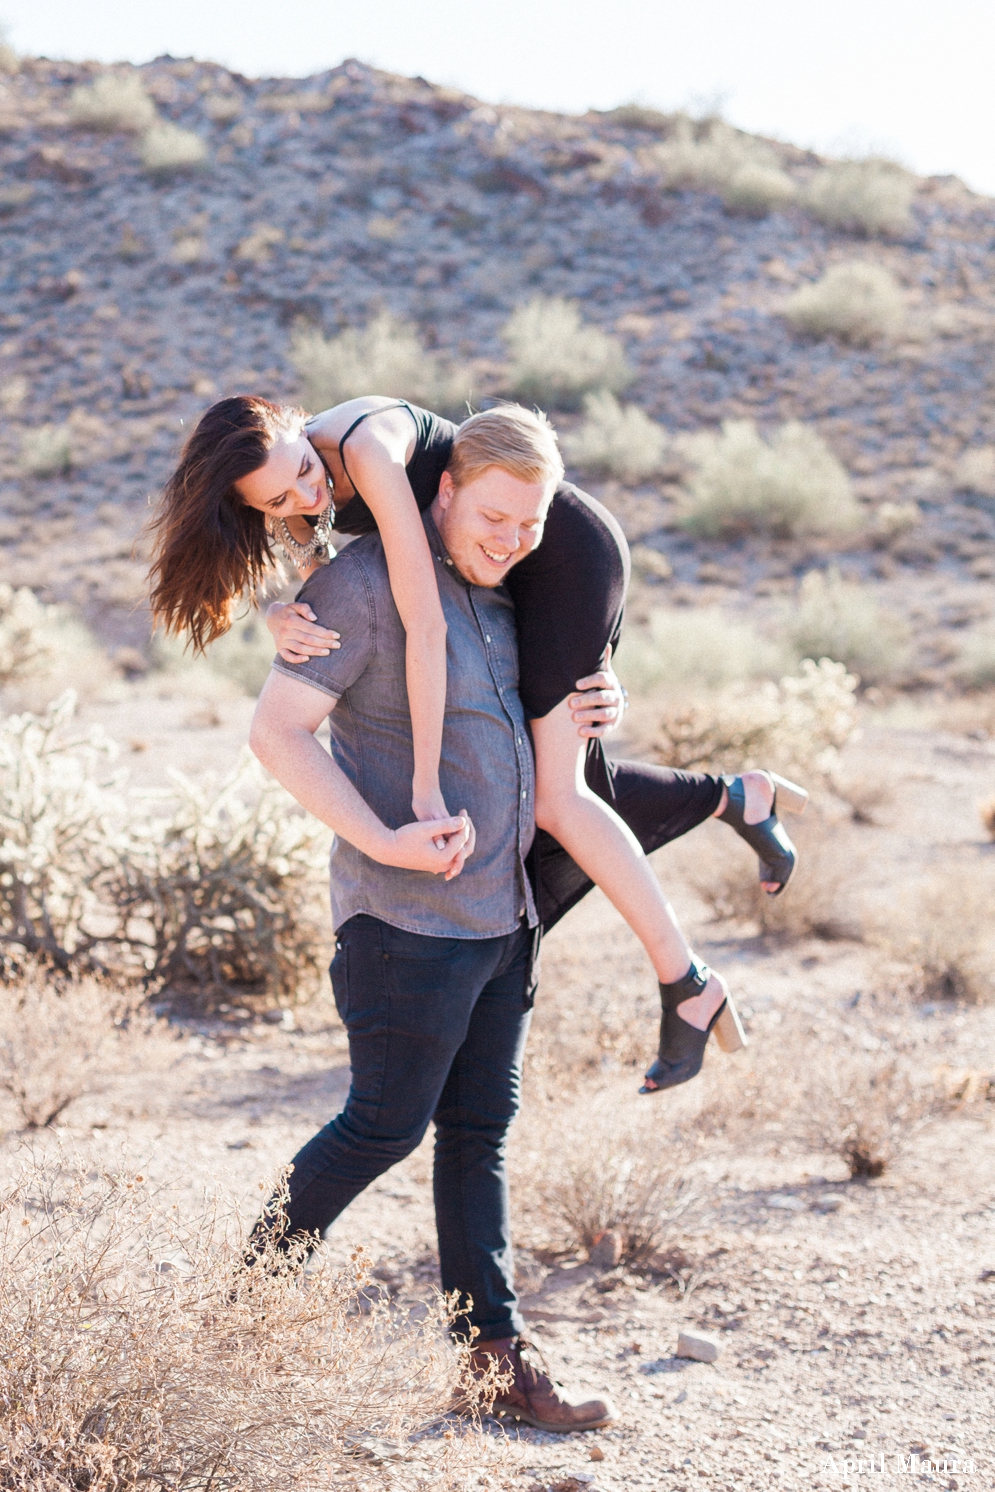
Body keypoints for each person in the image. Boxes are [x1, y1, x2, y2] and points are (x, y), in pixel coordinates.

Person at [149, 396, 807, 1092]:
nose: (306, 499)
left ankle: (687, 983)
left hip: (550, 544)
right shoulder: (289, 489)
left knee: (557, 797)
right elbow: (334, 586)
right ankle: (738, 798)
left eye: (308, 475)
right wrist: (279, 615)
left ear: (299, 423)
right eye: (277, 499)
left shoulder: (366, 453)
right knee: (531, 771)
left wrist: (424, 786)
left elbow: (424, 627)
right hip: (488, 555)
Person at [245, 413, 617, 1429]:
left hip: (501, 920)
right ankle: (234, 1310)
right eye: (492, 515)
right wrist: (382, 834)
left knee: (476, 1134)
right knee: (382, 1125)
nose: (508, 538)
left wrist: (596, 700)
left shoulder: (504, 598)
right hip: (404, 924)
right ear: (441, 487)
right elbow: (274, 731)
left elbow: (533, 736)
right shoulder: (360, 587)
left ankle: (493, 1362)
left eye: (528, 523)